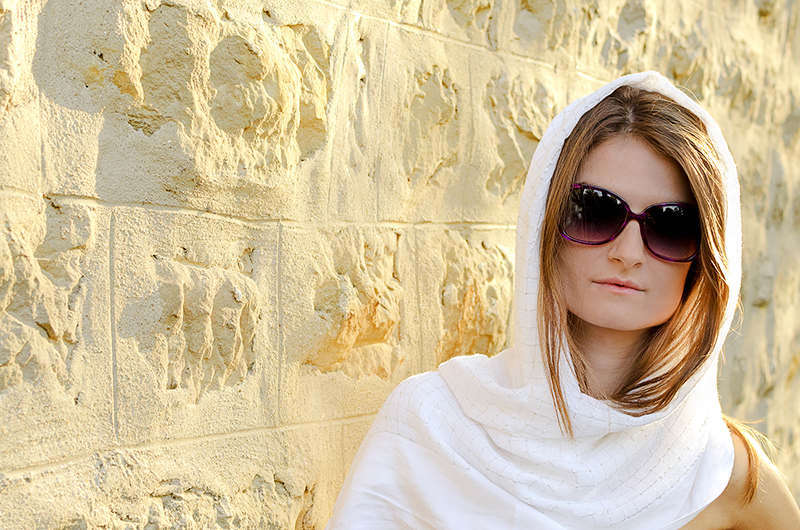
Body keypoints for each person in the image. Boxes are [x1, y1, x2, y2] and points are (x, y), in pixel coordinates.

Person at [325, 71, 800, 529]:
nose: (628, 253)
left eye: (670, 225)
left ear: (705, 258)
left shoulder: (716, 472)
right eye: (595, 210)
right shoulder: (432, 421)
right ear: (545, 225)